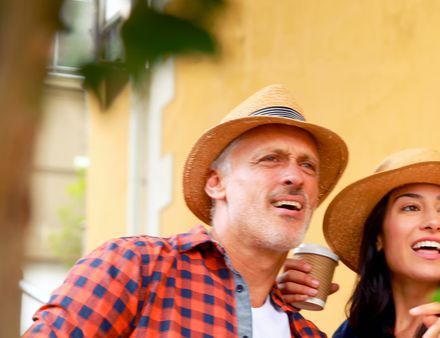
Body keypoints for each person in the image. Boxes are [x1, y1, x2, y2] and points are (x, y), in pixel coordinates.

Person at [24, 84, 349, 337]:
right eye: (270, 158)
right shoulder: (137, 266)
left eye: (308, 166)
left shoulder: (306, 333)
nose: (296, 176)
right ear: (216, 183)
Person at [277, 148, 440, 338]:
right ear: (378, 237)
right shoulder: (350, 334)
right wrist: (275, 308)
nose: (433, 222)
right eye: (410, 207)